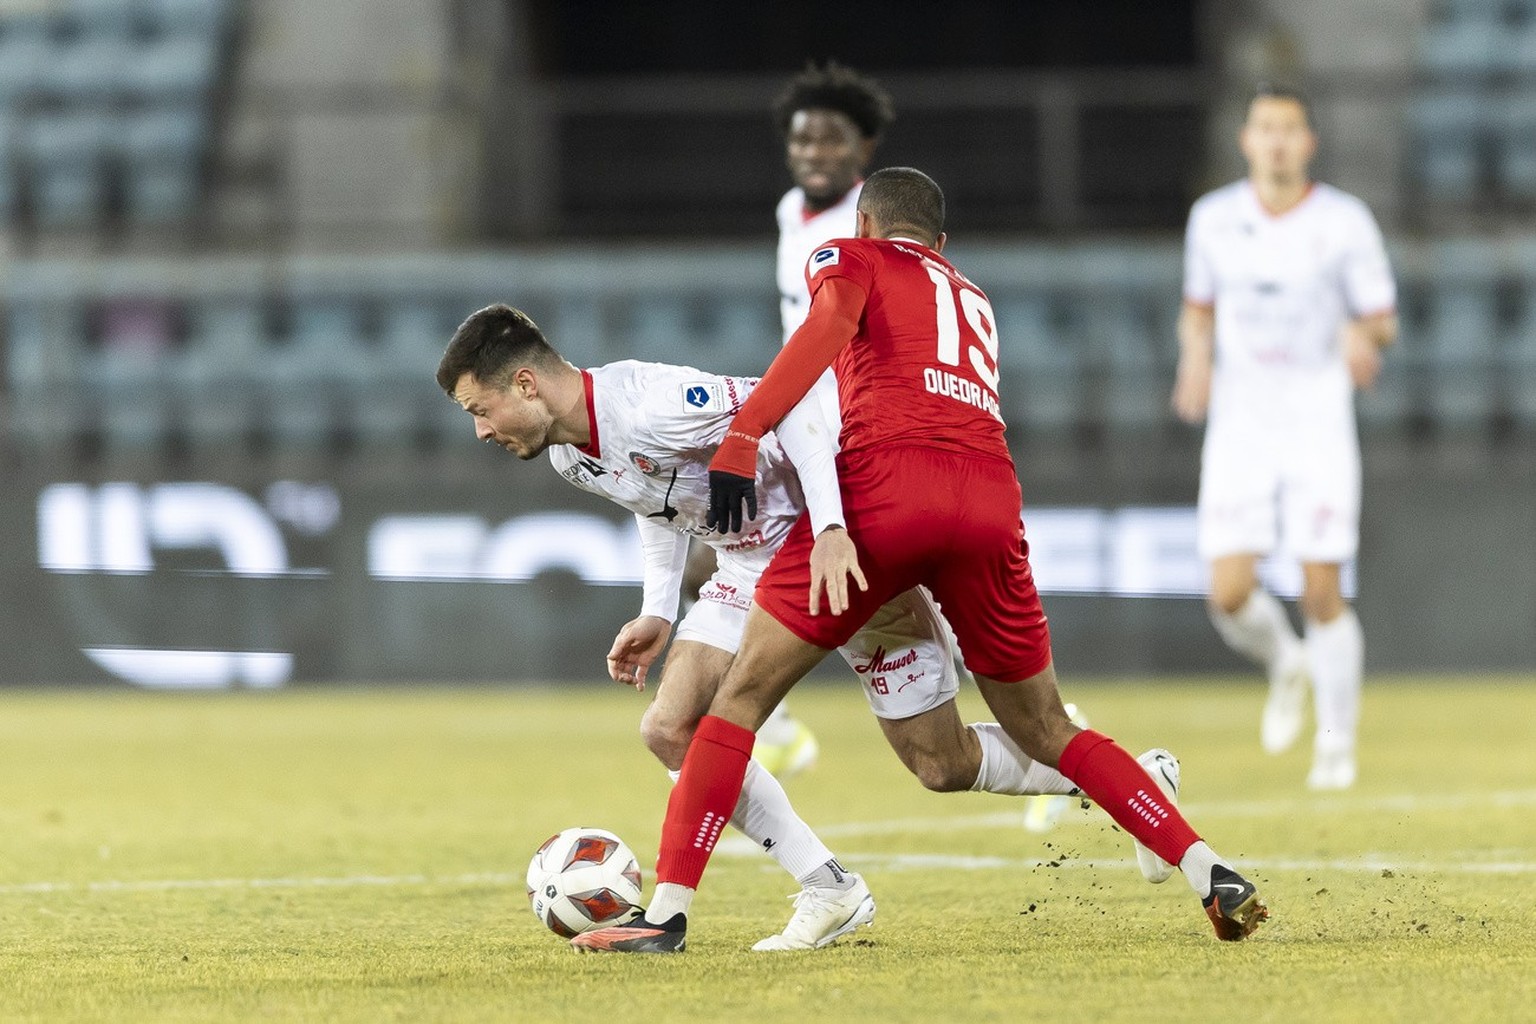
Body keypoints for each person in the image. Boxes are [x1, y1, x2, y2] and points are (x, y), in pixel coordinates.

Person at [571, 168, 1267, 954]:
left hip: (886, 496)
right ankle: (1209, 869)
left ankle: (665, 916)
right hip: (990, 501)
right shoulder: (973, 298)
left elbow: (828, 325)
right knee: (1039, 726)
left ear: (866, 225)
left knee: (735, 703)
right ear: (940, 243)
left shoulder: (849, 258)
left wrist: (745, 431)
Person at [436, 304, 1134, 952]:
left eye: (480, 409)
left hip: (832, 554)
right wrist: (659, 608)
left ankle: (1110, 778)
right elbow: (656, 505)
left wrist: (832, 528)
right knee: (669, 727)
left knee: (940, 764)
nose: (480, 430)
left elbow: (793, 403)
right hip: (745, 571)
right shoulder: (568, 453)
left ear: (525, 384)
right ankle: (830, 888)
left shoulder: (648, 403)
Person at [1172, 83, 1398, 791]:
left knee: (1320, 588)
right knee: (1228, 592)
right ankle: (1284, 662)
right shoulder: (1212, 220)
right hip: (1242, 420)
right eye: (1263, 128)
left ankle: (1336, 747)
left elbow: (1383, 319)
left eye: (1288, 129)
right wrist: (1195, 359)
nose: (1275, 140)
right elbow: (1198, 309)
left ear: (1309, 142)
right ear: (1245, 140)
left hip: (1315, 418)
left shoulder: (1345, 222)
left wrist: (1359, 334)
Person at [677, 60, 896, 777]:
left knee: (918, 618)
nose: (815, 153)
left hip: (860, 431)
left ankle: (1060, 743)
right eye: (804, 140)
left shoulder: (875, 221)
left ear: (863, 150)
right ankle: (769, 728)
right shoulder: (788, 212)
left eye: (832, 141)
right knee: (709, 552)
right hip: (802, 426)